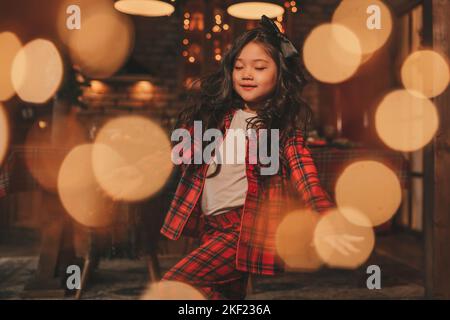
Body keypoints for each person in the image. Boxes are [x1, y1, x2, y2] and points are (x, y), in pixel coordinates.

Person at [159, 15, 349, 300]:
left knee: (174, 285)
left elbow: (307, 178)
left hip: (243, 229)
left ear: (280, 74)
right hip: (212, 226)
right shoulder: (218, 119)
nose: (247, 74)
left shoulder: (281, 131)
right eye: (239, 67)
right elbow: (179, 155)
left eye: (259, 67)